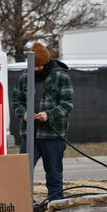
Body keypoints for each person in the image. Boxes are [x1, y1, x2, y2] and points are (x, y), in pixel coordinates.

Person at [11, 42, 74, 202]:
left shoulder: (61, 77)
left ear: (46, 63)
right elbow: (16, 100)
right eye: (34, 66)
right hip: (29, 136)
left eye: (39, 66)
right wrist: (23, 113)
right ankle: (25, 208)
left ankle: (55, 208)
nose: (36, 69)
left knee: (54, 176)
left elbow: (67, 104)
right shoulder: (25, 77)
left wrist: (49, 115)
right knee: (21, 175)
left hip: (52, 137)